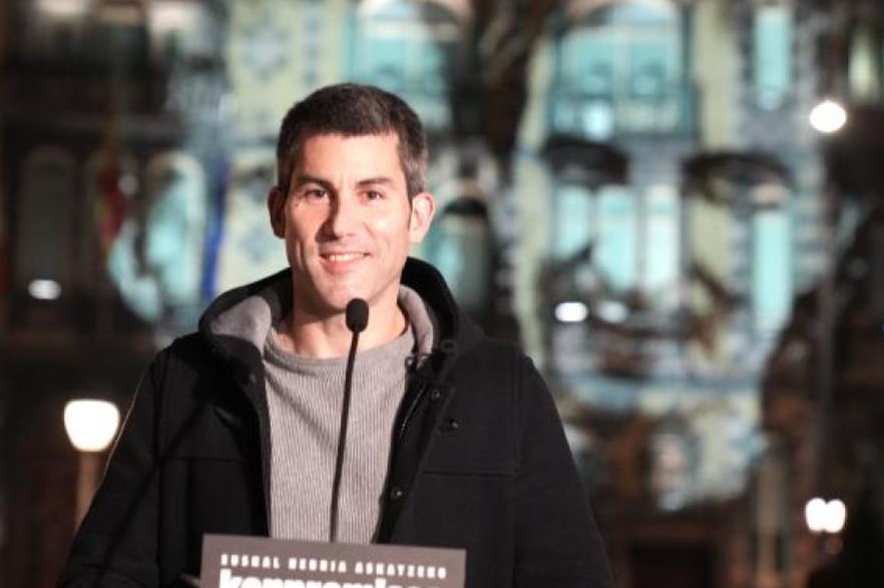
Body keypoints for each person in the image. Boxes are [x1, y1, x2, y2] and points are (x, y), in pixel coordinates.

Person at [61, 84, 612, 588]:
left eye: (372, 194)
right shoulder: (186, 382)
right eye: (316, 193)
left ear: (418, 216)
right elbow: (102, 577)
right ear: (278, 212)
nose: (341, 224)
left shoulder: (503, 390)